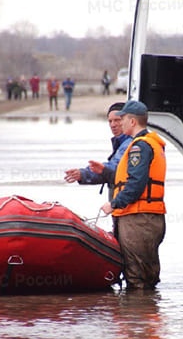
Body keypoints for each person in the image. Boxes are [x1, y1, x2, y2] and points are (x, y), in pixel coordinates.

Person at [90, 100, 167, 290]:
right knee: (145, 276)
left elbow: (135, 184)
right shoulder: (149, 144)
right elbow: (128, 177)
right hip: (146, 218)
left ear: (132, 122)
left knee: (137, 278)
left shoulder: (139, 147)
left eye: (122, 119)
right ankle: (146, 314)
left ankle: (136, 317)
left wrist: (113, 204)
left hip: (138, 219)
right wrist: (105, 173)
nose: (119, 123)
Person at [64, 102, 132, 200]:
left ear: (128, 120)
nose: (113, 125)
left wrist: (84, 173)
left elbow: (114, 168)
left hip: (128, 207)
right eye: (110, 121)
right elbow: (109, 173)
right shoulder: (121, 143)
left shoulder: (129, 143)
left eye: (117, 120)